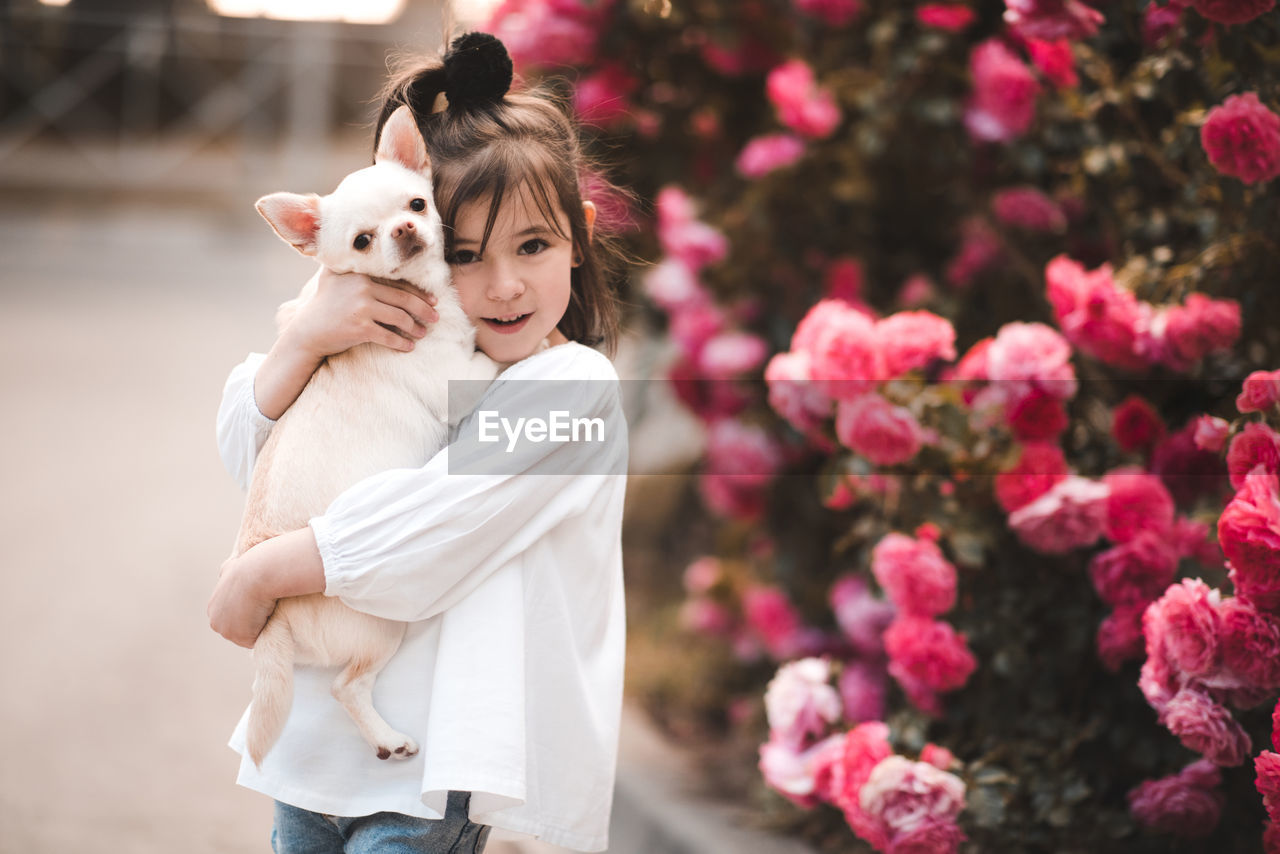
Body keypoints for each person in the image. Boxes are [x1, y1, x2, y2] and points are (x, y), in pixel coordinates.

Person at [208, 32, 628, 854]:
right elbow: (248, 456)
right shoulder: (391, 348)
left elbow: (425, 529)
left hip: (432, 780)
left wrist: (258, 573)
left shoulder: (573, 388)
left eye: (532, 246)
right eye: (466, 254)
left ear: (578, 237)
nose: (503, 285)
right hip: (314, 757)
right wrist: (306, 341)